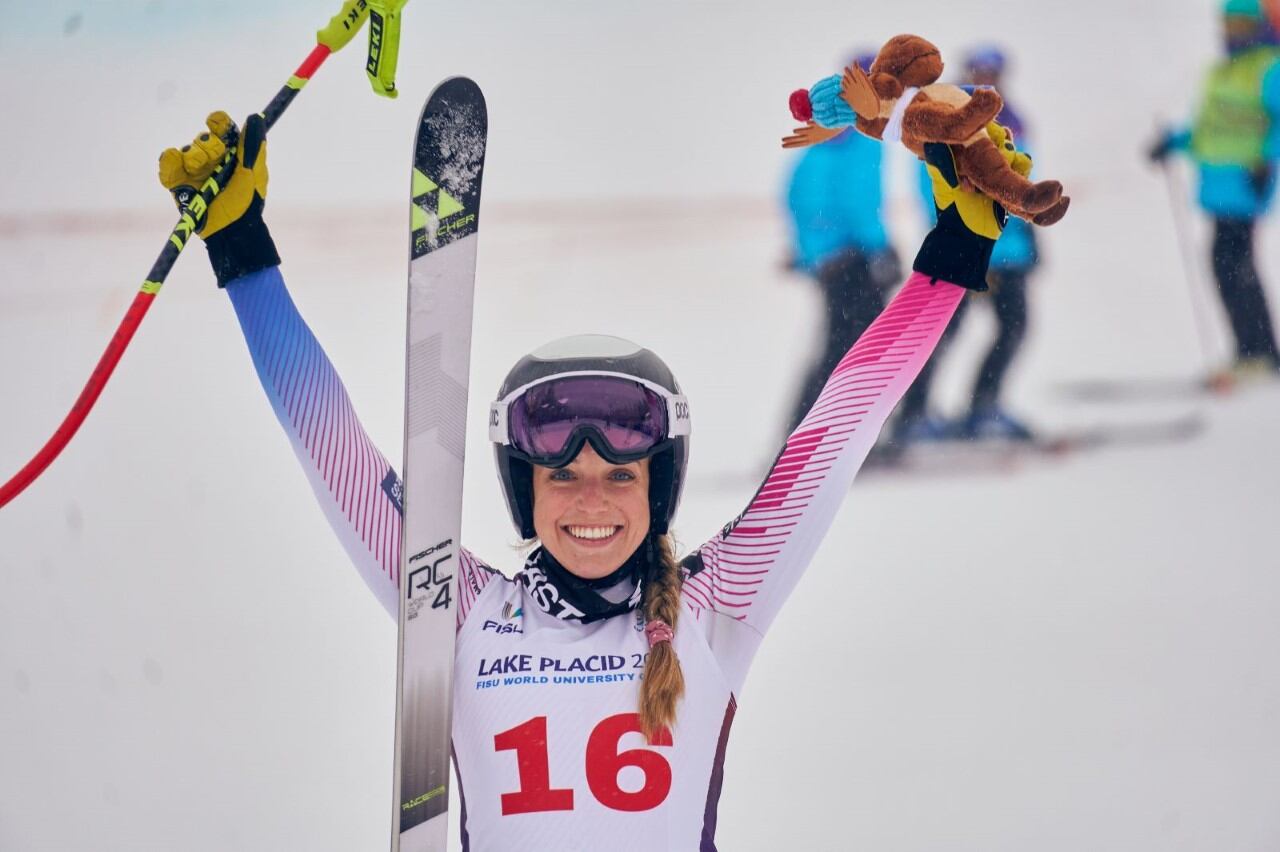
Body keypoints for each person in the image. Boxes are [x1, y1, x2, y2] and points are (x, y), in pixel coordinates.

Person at [158, 100, 1002, 848]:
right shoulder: (455, 605)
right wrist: (242, 252)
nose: (590, 498)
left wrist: (952, 256)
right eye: (560, 476)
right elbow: (332, 445)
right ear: (524, 492)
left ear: (658, 490)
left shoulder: (718, 602)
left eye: (621, 476)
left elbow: (836, 429)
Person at [894, 45, 1042, 443]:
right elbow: (933, 190)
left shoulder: (1014, 123)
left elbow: (1026, 182)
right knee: (939, 333)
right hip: (969, 247)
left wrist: (1029, 232)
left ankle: (983, 406)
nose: (986, 81)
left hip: (1008, 250)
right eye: (979, 72)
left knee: (1013, 326)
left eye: (992, 73)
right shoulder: (945, 121)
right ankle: (913, 415)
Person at [1150, 0, 1280, 377]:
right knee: (1227, 266)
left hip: (1246, 182)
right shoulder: (1220, 72)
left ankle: (1259, 352)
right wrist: (1172, 142)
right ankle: (1252, 351)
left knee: (1235, 265)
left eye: (1241, 23)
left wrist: (1266, 158)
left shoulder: (1269, 68)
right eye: (1228, 22)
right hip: (1216, 183)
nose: (1232, 30)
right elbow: (1208, 129)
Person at [783, 51, 901, 434]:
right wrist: (880, 248)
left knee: (840, 348)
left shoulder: (827, 136)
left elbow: (796, 197)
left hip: (833, 260)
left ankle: (806, 434)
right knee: (859, 351)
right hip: (854, 260)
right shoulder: (860, 138)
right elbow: (860, 201)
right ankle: (828, 436)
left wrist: (810, 253)